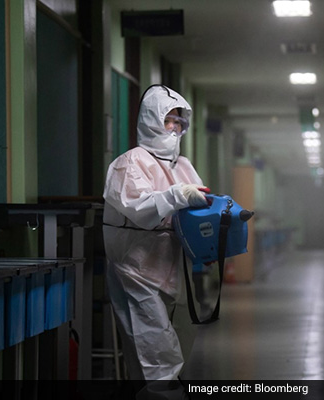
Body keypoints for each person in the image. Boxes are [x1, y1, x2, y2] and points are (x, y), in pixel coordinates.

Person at [102, 85, 208, 391]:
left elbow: (198, 208)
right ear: (150, 120)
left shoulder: (183, 165)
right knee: (156, 350)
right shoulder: (130, 163)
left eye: (178, 121)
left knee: (180, 339)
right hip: (137, 270)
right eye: (167, 120)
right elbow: (141, 209)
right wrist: (177, 195)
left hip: (177, 267)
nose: (174, 128)